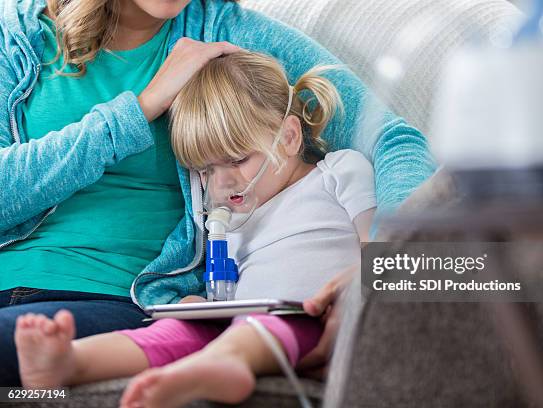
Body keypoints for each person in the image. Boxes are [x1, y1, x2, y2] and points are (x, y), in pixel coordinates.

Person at [0, 0, 435, 385]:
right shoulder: (18, 36)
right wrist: (142, 108)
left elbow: (393, 140)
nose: (221, 180)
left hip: (115, 296)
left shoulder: (233, 38)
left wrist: (381, 275)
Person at [15, 51, 376, 408]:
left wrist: (358, 286)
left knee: (278, 324)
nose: (222, 182)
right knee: (176, 331)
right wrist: (199, 304)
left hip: (317, 317)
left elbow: (390, 248)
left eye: (237, 160)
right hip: (247, 323)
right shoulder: (230, 223)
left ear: (289, 137)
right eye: (205, 171)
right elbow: (229, 288)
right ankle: (76, 361)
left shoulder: (339, 173)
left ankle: (226, 364)